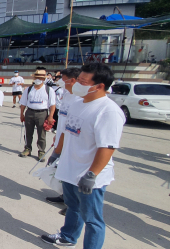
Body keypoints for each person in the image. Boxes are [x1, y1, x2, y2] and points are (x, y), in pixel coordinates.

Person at [41, 63, 125, 249]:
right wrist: (57, 153)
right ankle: (68, 236)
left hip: (88, 175)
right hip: (70, 170)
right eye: (78, 80)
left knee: (92, 219)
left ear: (99, 86)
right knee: (73, 207)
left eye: (82, 81)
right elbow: (66, 132)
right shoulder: (78, 103)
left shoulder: (108, 111)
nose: (77, 84)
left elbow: (107, 147)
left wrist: (92, 174)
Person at [45, 67, 82, 212]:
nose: (60, 81)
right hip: (61, 138)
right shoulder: (67, 94)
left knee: (73, 174)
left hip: (71, 142)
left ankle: (73, 204)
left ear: (72, 80)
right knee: (61, 170)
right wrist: (57, 136)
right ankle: (64, 195)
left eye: (62, 78)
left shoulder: (80, 99)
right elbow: (63, 120)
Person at [19, 67, 56, 161]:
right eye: (36, 77)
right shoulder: (29, 89)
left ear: (44, 79)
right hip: (30, 111)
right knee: (28, 132)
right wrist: (21, 114)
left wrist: (51, 115)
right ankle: (27, 148)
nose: (38, 80)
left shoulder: (49, 90)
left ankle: (41, 151)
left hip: (42, 113)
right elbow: (23, 103)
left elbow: (52, 104)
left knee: (41, 134)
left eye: (40, 78)